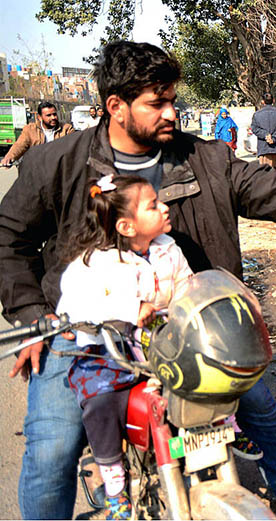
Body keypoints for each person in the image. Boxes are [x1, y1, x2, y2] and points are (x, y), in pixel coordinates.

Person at [0, 40, 276, 520]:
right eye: (157, 103)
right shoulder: (58, 164)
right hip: (84, 335)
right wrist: (31, 316)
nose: (172, 112)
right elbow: (9, 239)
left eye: (172, 99)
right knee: (52, 448)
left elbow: (274, 189)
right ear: (115, 107)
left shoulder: (205, 158)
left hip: (186, 326)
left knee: (262, 405)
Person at [57, 174, 193, 519]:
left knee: (210, 376)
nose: (165, 208)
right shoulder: (95, 262)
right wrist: (130, 309)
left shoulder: (168, 248)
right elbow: (76, 304)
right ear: (127, 226)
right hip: (110, 352)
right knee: (101, 401)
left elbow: (187, 285)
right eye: (153, 205)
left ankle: (225, 431)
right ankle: (115, 482)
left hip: (161, 345)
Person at [0, 101, 74, 166]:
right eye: (48, 115)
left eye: (54, 114)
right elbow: (19, 145)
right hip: (36, 169)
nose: (53, 117)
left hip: (59, 169)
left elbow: (74, 145)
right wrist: (9, 157)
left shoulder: (66, 129)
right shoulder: (30, 130)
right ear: (39, 117)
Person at [251, 92, 276, 171]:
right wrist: (273, 138)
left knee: (265, 175)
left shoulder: (257, 114)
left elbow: (254, 128)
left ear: (262, 101)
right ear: (273, 100)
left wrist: (266, 135)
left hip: (264, 148)